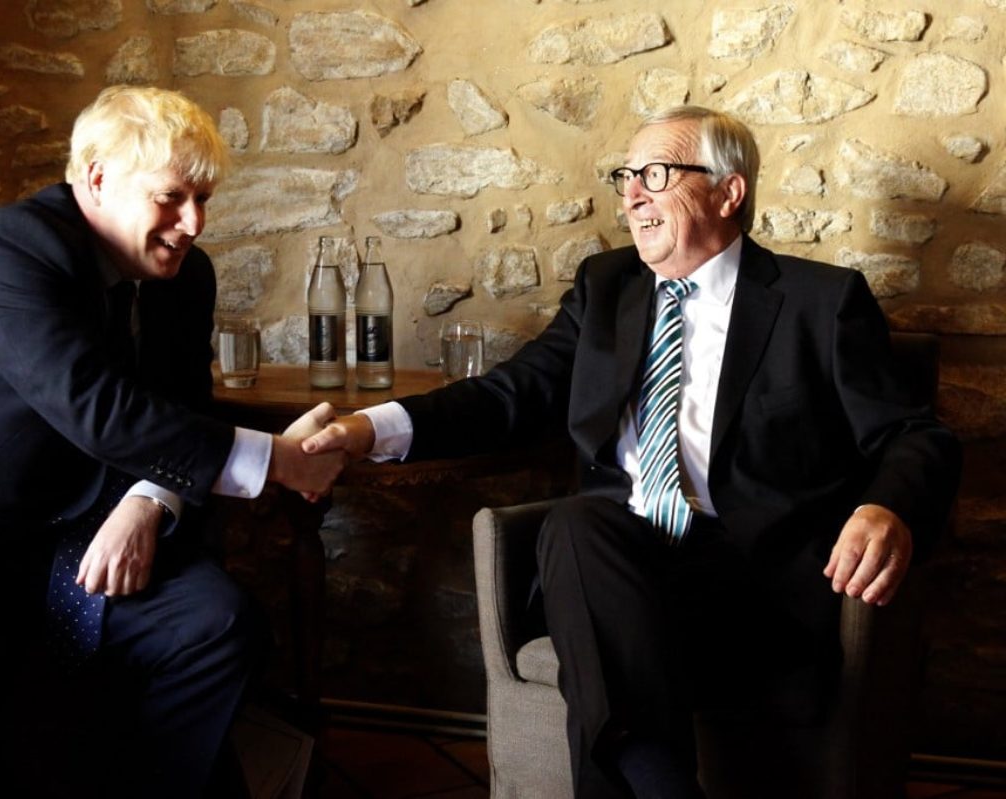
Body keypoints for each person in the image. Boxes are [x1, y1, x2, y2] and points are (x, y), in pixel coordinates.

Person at [300, 106, 962, 798]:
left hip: (748, 587)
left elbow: (916, 435)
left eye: (657, 174)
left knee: (593, 591)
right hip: (613, 565)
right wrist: (365, 429)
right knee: (578, 525)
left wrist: (887, 507)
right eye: (627, 176)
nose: (632, 196)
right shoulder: (605, 288)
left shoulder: (819, 303)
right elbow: (508, 396)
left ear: (729, 191)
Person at [0, 85, 344, 799]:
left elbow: (179, 406)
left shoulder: (185, 276)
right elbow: (99, 410)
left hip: (85, 534)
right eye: (171, 197)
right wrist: (278, 459)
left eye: (203, 199)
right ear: (97, 178)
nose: (193, 222)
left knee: (223, 624)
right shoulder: (4, 252)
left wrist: (149, 501)